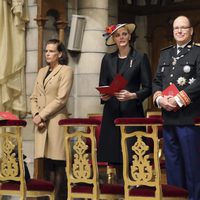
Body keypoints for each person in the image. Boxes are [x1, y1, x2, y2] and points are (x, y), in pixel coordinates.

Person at [153, 15, 200, 200]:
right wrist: (159, 99)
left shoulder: (197, 52)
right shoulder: (166, 53)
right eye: (176, 28)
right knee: (172, 164)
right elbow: (157, 81)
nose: (179, 31)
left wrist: (179, 100)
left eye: (183, 28)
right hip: (169, 117)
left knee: (192, 166)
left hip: (189, 118)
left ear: (191, 30)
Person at [97, 23, 152, 182]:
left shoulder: (140, 57)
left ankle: (134, 192)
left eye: (124, 34)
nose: (121, 37)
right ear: (113, 39)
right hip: (112, 113)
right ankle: (120, 191)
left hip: (132, 114)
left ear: (129, 36)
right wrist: (104, 96)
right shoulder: (107, 59)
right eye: (117, 35)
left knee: (133, 155)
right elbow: (102, 85)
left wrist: (132, 95)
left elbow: (148, 88)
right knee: (116, 157)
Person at [30, 39, 73, 200]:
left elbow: (61, 99)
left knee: (58, 162)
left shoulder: (66, 71)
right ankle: (47, 197)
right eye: (46, 51)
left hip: (56, 121)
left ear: (60, 54)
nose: (48, 54)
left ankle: (59, 197)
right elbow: (33, 96)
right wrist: (36, 115)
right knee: (46, 162)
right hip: (40, 123)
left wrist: (42, 115)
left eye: (51, 51)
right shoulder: (42, 71)